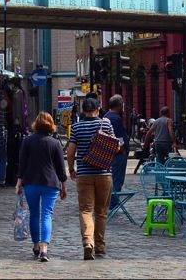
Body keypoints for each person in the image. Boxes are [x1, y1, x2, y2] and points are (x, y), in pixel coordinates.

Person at [66, 97, 117, 260]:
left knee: (86, 210)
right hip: (104, 173)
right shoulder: (106, 124)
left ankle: (88, 242)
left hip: (84, 174)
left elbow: (71, 152)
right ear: (97, 110)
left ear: (83, 111)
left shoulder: (76, 127)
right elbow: (115, 146)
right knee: (101, 212)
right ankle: (100, 246)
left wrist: (72, 169)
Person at [15, 112, 68, 262]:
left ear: (36, 124)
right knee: (46, 215)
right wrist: (64, 186)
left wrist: (19, 183)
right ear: (51, 125)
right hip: (50, 184)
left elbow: (22, 164)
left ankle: (36, 245)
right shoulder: (55, 143)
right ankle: (44, 249)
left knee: (34, 214)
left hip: (31, 182)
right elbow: (60, 168)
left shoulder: (27, 141)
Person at [104, 95, 129, 208]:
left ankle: (110, 202)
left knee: (112, 177)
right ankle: (113, 203)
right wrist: (123, 151)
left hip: (109, 153)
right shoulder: (116, 118)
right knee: (117, 179)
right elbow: (119, 139)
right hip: (118, 154)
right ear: (119, 105)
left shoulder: (106, 116)